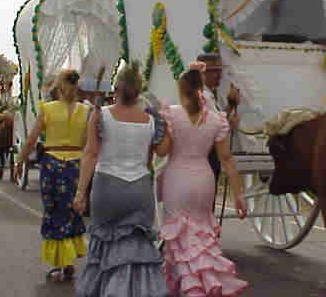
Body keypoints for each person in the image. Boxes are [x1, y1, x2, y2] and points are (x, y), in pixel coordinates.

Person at [73, 60, 169, 297]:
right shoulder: (150, 120)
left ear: (116, 89)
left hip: (107, 188)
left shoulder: (100, 115)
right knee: (137, 253)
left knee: (104, 249)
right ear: (138, 92)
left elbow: (91, 154)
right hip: (139, 190)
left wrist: (80, 192)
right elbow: (162, 151)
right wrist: (164, 122)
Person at [157, 62, 248, 296]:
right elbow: (226, 159)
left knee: (180, 241)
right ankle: (206, 283)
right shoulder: (217, 120)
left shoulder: (171, 114)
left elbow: (163, 151)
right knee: (201, 238)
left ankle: (190, 289)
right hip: (204, 181)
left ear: (182, 89)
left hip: (177, 180)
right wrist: (239, 195)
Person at [15, 69, 89, 282]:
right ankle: (69, 261)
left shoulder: (47, 109)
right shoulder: (86, 111)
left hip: (53, 165)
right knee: (72, 211)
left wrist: (20, 160)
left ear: (58, 87)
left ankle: (59, 264)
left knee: (54, 211)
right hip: (76, 165)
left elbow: (31, 140)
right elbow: (88, 144)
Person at [196, 53, 240, 209]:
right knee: (206, 208)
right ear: (202, 73)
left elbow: (216, 121)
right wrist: (230, 122)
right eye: (214, 71)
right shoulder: (204, 97)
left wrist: (230, 106)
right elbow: (215, 129)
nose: (219, 76)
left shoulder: (206, 94)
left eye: (219, 71)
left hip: (204, 158)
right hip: (206, 158)